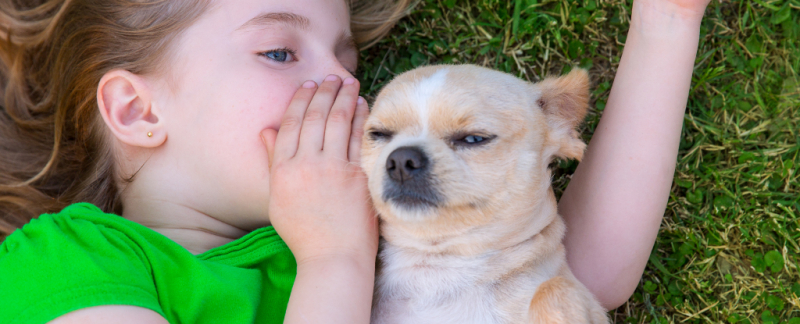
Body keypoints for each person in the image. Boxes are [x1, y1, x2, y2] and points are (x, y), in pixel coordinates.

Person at [0, 0, 710, 322]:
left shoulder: (351, 222)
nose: (344, 88)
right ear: (137, 110)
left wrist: (668, 21)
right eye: (280, 51)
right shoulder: (63, 261)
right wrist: (333, 259)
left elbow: (585, 267)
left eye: (349, 61)